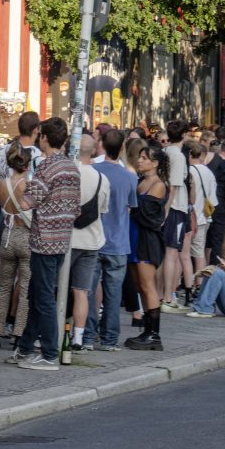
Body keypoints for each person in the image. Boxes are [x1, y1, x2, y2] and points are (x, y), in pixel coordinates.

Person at [9, 117, 81, 371]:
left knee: (43, 299)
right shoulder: (71, 167)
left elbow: (27, 202)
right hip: (62, 239)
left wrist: (17, 184)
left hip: (44, 240)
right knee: (37, 294)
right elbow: (77, 207)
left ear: (45, 138)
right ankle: (26, 348)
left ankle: (50, 353)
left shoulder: (47, 167)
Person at [88, 129, 137, 351]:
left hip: (94, 239)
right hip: (118, 242)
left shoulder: (93, 171)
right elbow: (131, 206)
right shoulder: (129, 176)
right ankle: (109, 339)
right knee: (113, 294)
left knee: (88, 291)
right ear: (123, 148)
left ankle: (87, 336)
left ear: (102, 146)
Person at [125, 144, 169, 351]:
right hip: (134, 238)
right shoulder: (141, 181)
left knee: (147, 284)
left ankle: (154, 334)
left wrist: (131, 208)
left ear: (155, 163)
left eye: (145, 158)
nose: (140, 160)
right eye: (140, 157)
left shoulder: (158, 184)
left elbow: (148, 214)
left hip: (146, 240)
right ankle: (146, 329)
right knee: (140, 285)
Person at [0, 142, 32, 349]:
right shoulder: (28, 185)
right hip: (25, 235)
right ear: (27, 165)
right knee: (24, 287)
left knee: (3, 286)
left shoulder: (1, 184)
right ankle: (18, 333)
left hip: (7, 233)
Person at [69, 136, 110, 351]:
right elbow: (103, 210)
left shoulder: (68, 174)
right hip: (91, 240)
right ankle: (79, 336)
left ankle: (57, 330)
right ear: (93, 151)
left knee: (58, 287)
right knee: (82, 290)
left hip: (68, 239)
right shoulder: (102, 179)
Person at [161, 120, 191, 311]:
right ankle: (168, 297)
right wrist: (167, 209)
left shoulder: (166, 152)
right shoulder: (177, 156)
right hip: (176, 207)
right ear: (184, 135)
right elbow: (174, 185)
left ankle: (164, 295)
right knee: (172, 253)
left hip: (172, 207)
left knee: (168, 254)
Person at [187, 142, 217, 280]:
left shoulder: (190, 171)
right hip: (205, 217)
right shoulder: (209, 172)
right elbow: (214, 199)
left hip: (193, 217)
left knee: (191, 254)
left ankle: (198, 283)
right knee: (199, 253)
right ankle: (199, 283)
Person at [206, 138, 225, 266]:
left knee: (205, 237)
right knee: (217, 238)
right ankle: (212, 267)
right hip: (218, 204)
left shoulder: (209, 158)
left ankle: (202, 265)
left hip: (205, 201)